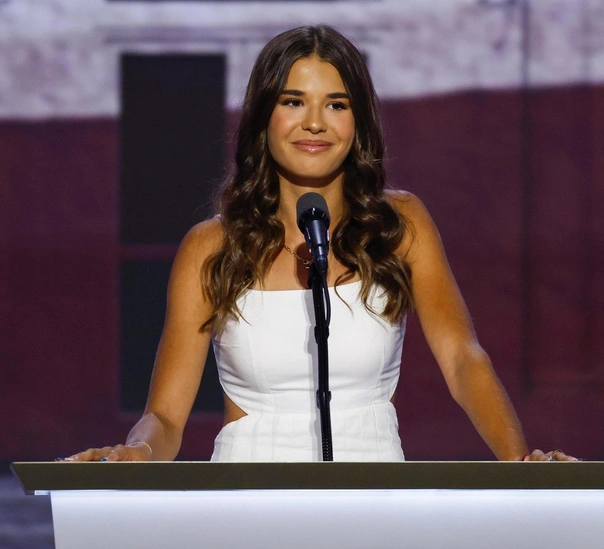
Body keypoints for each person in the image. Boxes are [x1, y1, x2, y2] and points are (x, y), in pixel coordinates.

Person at [64, 25, 576, 463]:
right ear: (264, 117)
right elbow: (165, 416)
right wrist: (135, 452)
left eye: (336, 104)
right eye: (293, 102)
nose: (315, 122)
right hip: (249, 501)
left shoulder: (400, 224)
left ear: (358, 121)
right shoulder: (211, 247)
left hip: (374, 497)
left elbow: (463, 360)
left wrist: (520, 464)